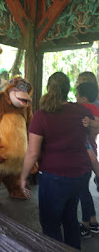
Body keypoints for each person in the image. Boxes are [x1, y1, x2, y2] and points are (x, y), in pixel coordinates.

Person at [21, 72, 93, 250]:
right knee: (70, 219)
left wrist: (23, 177)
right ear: (69, 89)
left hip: (55, 178)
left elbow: (32, 152)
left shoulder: (41, 115)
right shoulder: (82, 111)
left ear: (48, 88)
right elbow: (91, 136)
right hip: (80, 175)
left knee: (51, 224)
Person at [76, 82, 99, 237]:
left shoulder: (87, 108)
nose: (76, 99)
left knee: (82, 191)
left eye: (77, 96)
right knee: (84, 190)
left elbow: (96, 122)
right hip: (90, 150)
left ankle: (85, 225)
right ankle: (94, 222)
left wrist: (89, 122)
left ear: (83, 97)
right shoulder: (93, 108)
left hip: (86, 152)